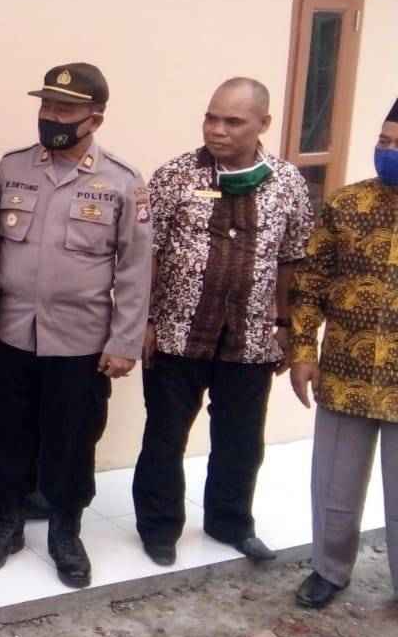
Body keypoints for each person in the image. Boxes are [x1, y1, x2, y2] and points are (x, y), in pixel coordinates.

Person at [0, 64, 151, 588]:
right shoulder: (11, 169)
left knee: (72, 441)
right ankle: (6, 522)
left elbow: (136, 269)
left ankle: (65, 532)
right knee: (5, 430)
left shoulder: (122, 181)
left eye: (65, 109)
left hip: (80, 340)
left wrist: (124, 342)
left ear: (95, 118)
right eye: (46, 105)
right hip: (11, 333)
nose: (51, 116)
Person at [133, 77, 312, 566]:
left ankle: (230, 522)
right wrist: (144, 320)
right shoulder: (174, 176)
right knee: (165, 436)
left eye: (233, 121)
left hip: (250, 339)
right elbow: (147, 254)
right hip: (176, 334)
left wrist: (285, 325)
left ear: (263, 124)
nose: (217, 129)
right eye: (211, 118)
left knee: (241, 440)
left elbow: (292, 259)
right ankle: (158, 527)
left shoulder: (288, 184)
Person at [287, 99, 398, 610]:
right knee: (334, 484)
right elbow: (310, 284)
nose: (388, 152)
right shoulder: (346, 204)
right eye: (384, 142)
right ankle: (328, 570)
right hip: (344, 372)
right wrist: (302, 350)